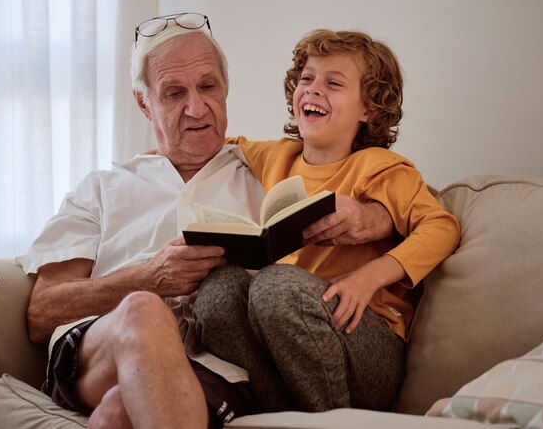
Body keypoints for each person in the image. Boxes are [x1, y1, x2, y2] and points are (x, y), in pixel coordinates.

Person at [18, 14, 395, 428]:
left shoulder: (269, 176)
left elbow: (379, 200)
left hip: (212, 369)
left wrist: (378, 217)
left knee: (119, 413)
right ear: (144, 103)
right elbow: (41, 314)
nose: (196, 108)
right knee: (144, 312)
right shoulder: (103, 188)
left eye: (208, 87)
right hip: (98, 352)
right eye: (174, 92)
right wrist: (147, 278)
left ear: (225, 89)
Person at [194, 29, 461, 413]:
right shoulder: (278, 156)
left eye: (333, 83)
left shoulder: (382, 168)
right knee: (218, 291)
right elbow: (224, 145)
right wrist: (159, 154)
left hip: (367, 340)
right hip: (290, 339)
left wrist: (370, 277)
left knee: (274, 286)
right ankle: (281, 412)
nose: (313, 89)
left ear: (367, 109)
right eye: (306, 79)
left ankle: (330, 420)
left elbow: (441, 227)